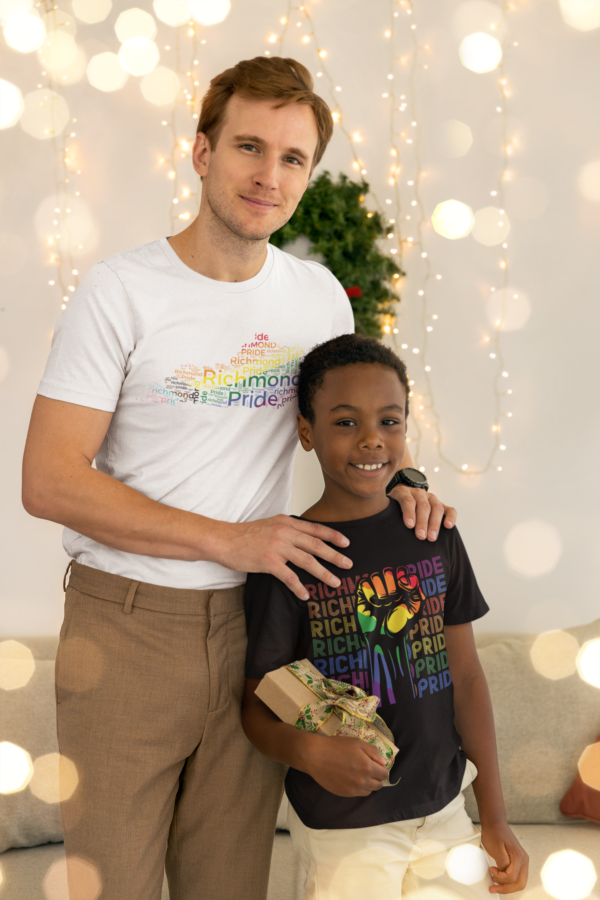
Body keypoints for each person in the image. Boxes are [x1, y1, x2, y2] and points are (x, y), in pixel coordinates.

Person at [22, 57, 455, 900]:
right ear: (201, 153)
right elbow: (48, 481)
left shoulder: (319, 299)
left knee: (229, 886)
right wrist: (234, 540)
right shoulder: (121, 292)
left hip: (268, 633)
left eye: (293, 158)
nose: (269, 175)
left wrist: (406, 480)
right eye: (248, 147)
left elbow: (353, 420)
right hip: (127, 629)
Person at [242, 334, 529, 898]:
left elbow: (467, 678)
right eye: (346, 422)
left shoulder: (434, 533)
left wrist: (493, 815)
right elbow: (256, 705)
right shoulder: (288, 556)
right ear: (307, 431)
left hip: (445, 810)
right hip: (343, 824)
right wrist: (310, 752)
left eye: (390, 421)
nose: (372, 439)